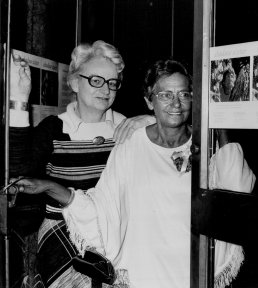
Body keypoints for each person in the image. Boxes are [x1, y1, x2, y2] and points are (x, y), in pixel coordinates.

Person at [11, 59, 256, 288]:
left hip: (192, 267)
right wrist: (50, 187)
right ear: (150, 101)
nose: (176, 103)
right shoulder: (131, 144)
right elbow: (103, 208)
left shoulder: (205, 143)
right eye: (165, 95)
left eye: (184, 94)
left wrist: (217, 115)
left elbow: (236, 191)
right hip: (147, 271)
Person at [9, 40, 155, 287]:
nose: (106, 89)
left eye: (112, 83)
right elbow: (18, 172)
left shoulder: (127, 127)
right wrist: (20, 99)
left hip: (116, 227)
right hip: (65, 231)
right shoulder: (55, 128)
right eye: (96, 80)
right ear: (75, 82)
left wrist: (152, 121)